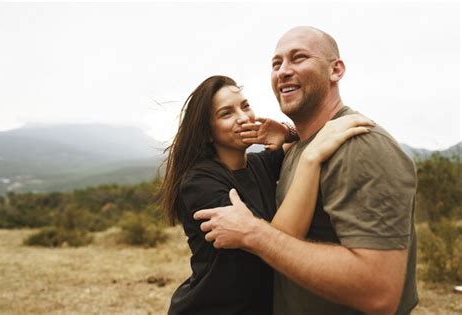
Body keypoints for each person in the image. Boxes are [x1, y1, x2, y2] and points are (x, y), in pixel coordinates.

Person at [194, 26, 418, 315]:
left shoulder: (359, 146)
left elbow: (378, 292)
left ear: (335, 70)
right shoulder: (300, 147)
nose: (283, 71)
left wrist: (254, 234)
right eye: (276, 64)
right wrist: (289, 133)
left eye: (298, 58)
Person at [161, 75, 374, 315]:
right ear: (208, 133)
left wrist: (286, 131)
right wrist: (311, 160)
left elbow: (304, 138)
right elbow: (277, 244)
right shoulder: (200, 183)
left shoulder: (260, 164)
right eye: (226, 114)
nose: (243, 118)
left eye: (245, 106)